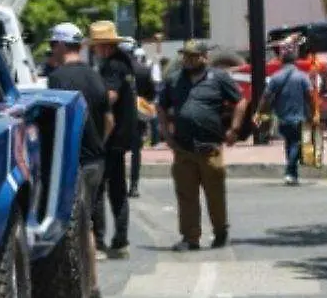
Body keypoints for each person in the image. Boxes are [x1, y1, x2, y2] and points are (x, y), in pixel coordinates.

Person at [158, 40, 248, 250]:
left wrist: (234, 129)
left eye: (193, 56)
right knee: (186, 195)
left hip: (210, 148)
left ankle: (220, 232)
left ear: (204, 57)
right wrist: (166, 135)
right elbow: (161, 107)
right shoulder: (174, 80)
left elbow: (241, 101)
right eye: (186, 56)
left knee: (215, 194)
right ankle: (190, 238)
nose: (188, 60)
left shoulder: (219, 78)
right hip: (183, 149)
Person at [45, 22, 108, 298]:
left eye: (52, 45)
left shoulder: (57, 79)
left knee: (77, 226)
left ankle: (84, 284)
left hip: (75, 161)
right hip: (96, 158)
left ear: (59, 45)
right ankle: (90, 282)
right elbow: (109, 119)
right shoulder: (95, 77)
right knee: (89, 221)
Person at [87, 21, 136, 259]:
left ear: (104, 46)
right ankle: (120, 240)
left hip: (111, 136)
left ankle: (100, 241)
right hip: (122, 134)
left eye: (95, 46)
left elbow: (111, 96)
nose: (94, 50)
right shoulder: (123, 62)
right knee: (117, 189)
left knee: (100, 189)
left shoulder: (113, 66)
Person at [254, 39, 317, 185]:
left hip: (282, 119)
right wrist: (314, 114)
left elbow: (265, 97)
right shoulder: (302, 76)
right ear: (295, 61)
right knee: (296, 144)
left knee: (289, 144)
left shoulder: (276, 77)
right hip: (298, 118)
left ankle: (293, 175)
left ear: (281, 60)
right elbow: (310, 97)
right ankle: (290, 172)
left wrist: (258, 112)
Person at [129, 45, 156, 197]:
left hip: (118, 118)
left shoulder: (112, 68)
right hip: (138, 116)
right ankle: (134, 185)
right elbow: (151, 94)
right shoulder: (144, 70)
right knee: (135, 152)